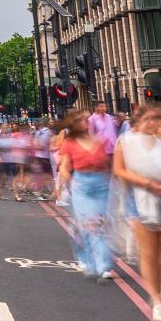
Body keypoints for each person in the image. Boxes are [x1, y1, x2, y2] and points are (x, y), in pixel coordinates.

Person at [115, 106, 161, 321]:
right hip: (137, 199)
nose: (154, 122)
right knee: (149, 253)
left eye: (158, 118)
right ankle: (156, 300)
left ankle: (157, 288)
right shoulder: (126, 142)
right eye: (149, 119)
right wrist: (147, 183)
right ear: (138, 122)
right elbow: (119, 170)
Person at [55, 109, 116, 279]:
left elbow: (107, 165)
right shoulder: (69, 143)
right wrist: (73, 182)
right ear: (74, 124)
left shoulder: (100, 141)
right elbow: (65, 169)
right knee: (87, 225)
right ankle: (89, 260)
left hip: (101, 184)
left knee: (100, 224)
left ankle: (103, 265)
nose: (87, 121)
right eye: (82, 119)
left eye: (86, 119)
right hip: (82, 185)